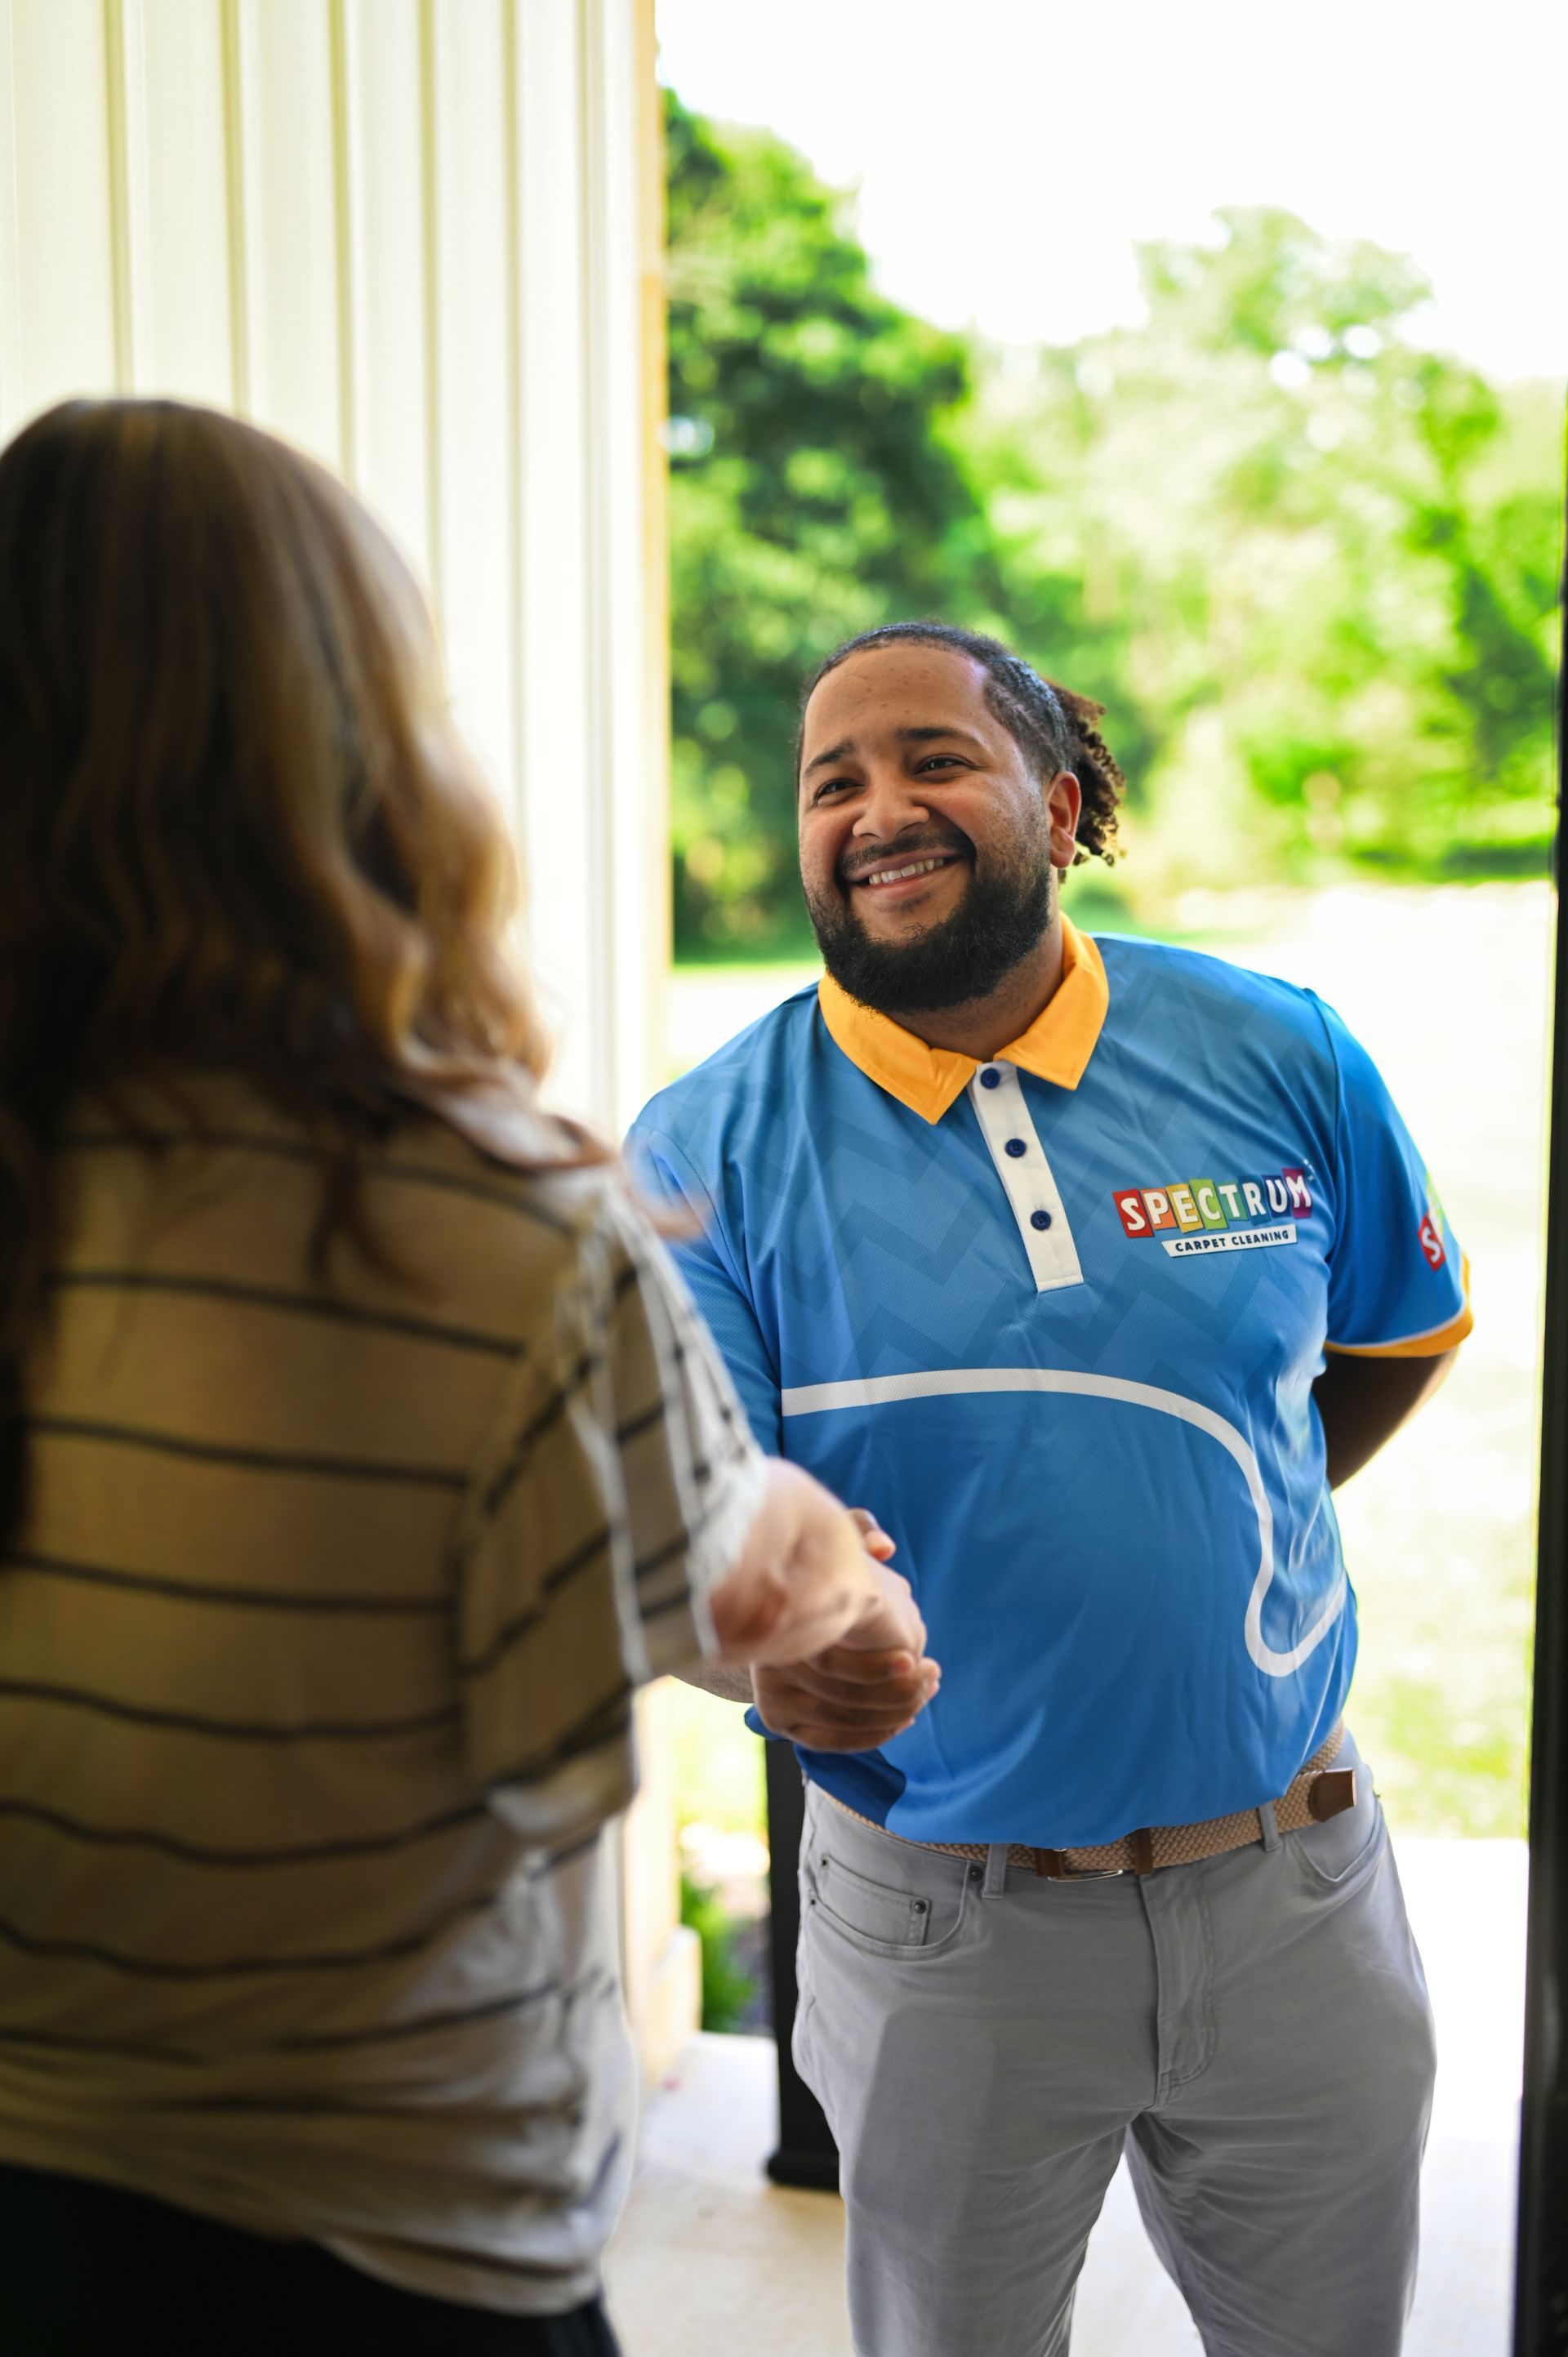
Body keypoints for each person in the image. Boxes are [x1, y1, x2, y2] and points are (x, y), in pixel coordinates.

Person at [0, 398, 927, 2357]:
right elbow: (716, 1582)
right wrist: (825, 1560)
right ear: (358, 752)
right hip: (386, 2243)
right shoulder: (492, 1226)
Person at [628, 621, 1472, 2357]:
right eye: (831, 781)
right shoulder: (701, 1150)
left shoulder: (1280, 1049)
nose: (878, 808)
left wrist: (1229, 1517)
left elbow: (1398, 1332)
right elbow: (683, 1531)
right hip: (944, 1925)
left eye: (933, 758)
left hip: (1297, 1896)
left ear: (1061, 796)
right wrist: (773, 1660)